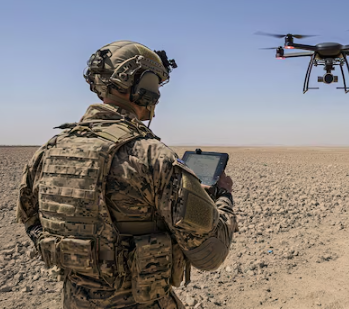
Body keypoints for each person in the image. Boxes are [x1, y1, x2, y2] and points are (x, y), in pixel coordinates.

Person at [16, 40, 238, 309]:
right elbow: (210, 254)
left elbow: (31, 222)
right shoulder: (152, 156)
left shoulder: (49, 150)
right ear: (143, 86)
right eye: (155, 82)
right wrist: (223, 196)